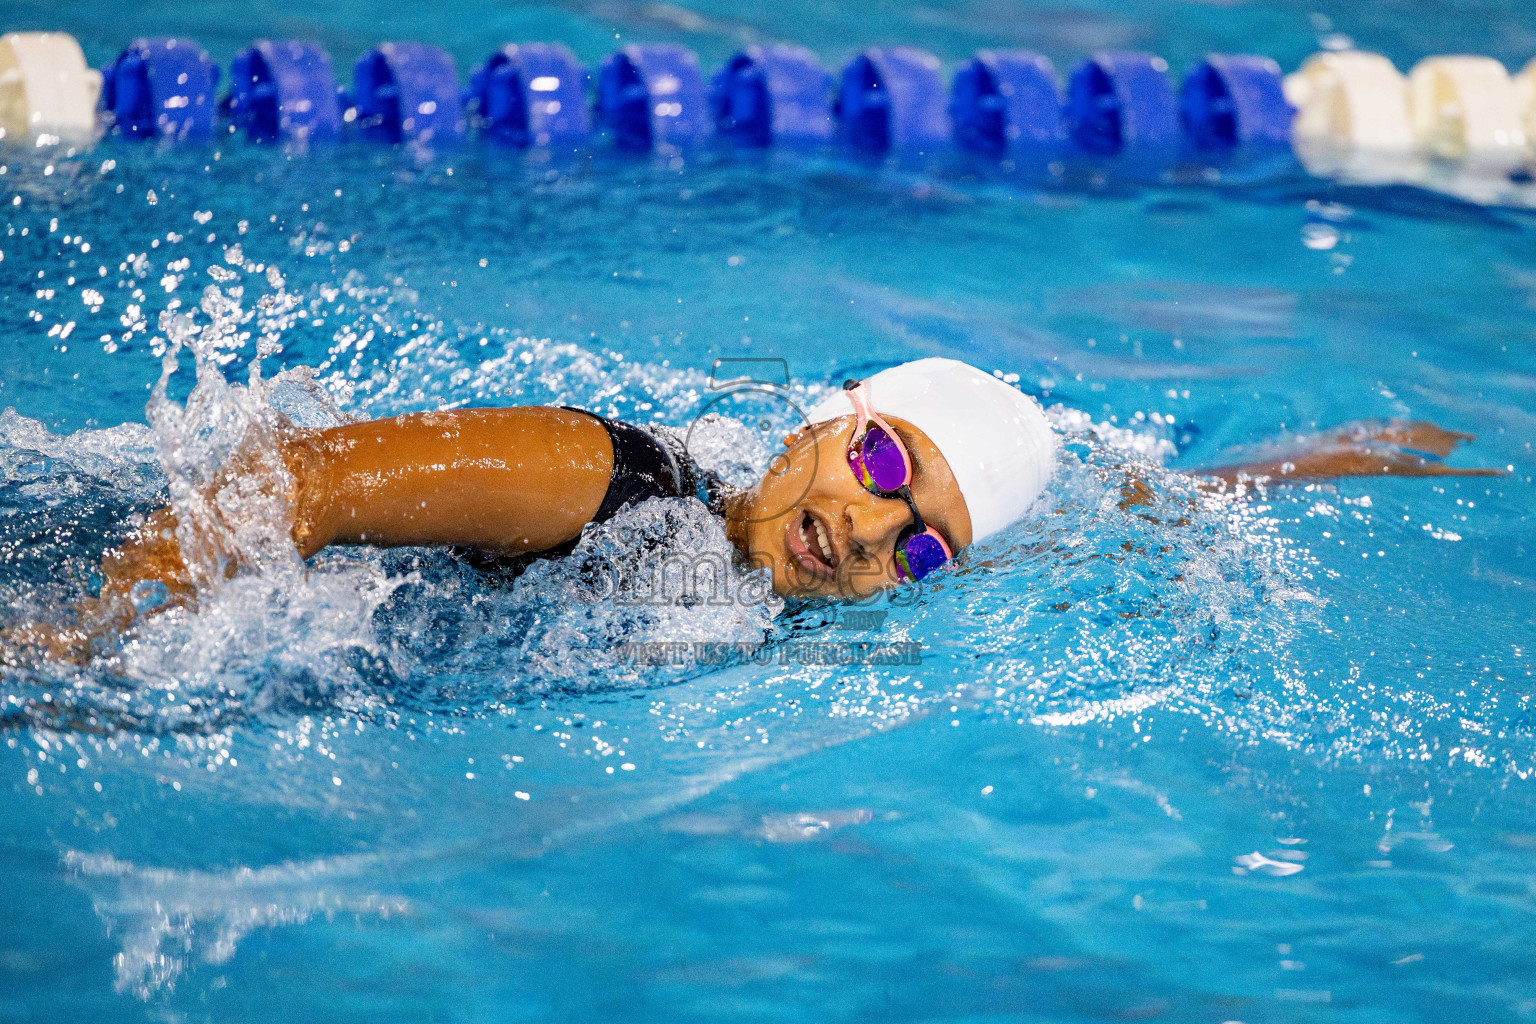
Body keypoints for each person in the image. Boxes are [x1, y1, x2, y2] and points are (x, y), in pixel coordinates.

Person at [12, 357, 1502, 660]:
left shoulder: (765, 615)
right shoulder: (607, 481)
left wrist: (1313, 463)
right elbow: (305, 484)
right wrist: (92, 632)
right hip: (107, 563)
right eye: (877, 468)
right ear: (818, 428)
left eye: (922, 540)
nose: (871, 530)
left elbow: (1121, 504)